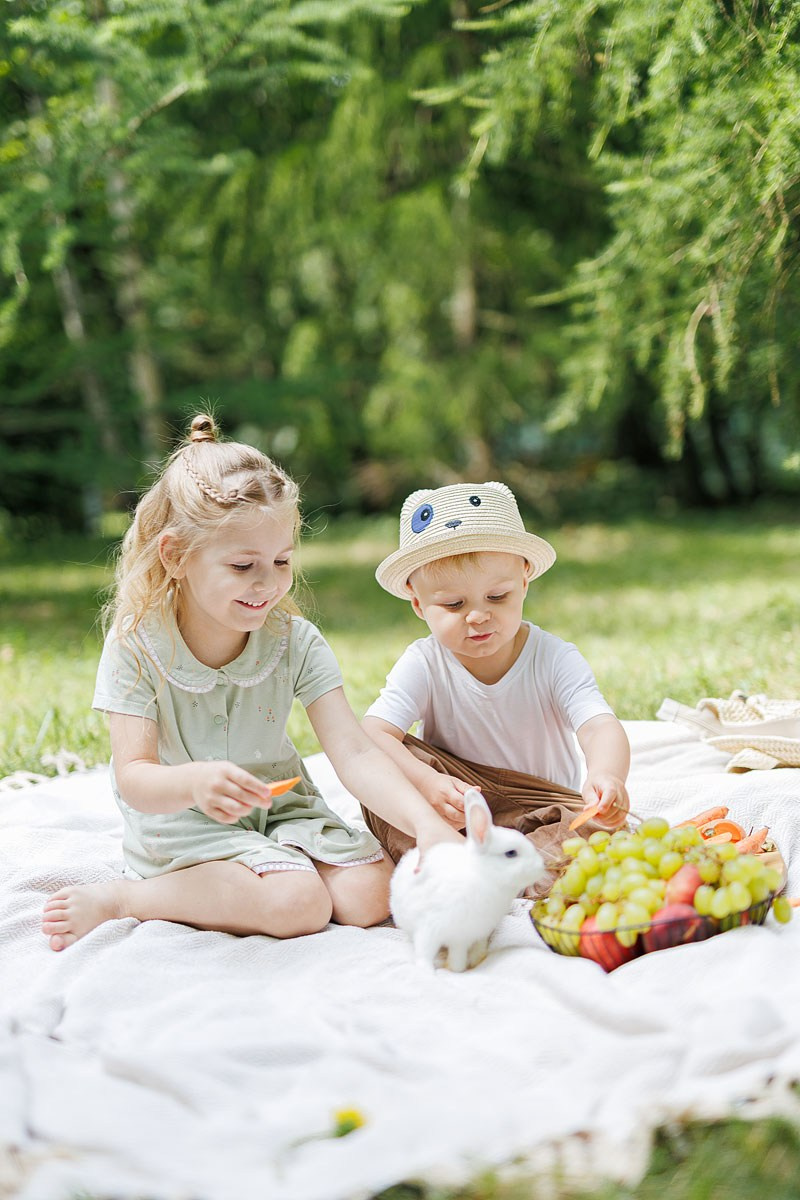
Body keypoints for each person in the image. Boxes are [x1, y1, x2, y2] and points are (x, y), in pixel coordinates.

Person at [42, 416, 458, 951]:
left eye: (282, 561)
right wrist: (195, 783)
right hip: (184, 824)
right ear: (175, 556)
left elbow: (353, 751)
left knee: (370, 895)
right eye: (243, 565)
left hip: (281, 811)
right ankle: (129, 897)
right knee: (299, 905)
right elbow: (135, 779)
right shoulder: (136, 647)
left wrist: (426, 826)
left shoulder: (295, 640)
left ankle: (275, 866)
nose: (268, 583)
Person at [360, 481, 631, 890]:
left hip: (543, 807)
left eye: (497, 596)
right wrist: (427, 783)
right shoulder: (425, 662)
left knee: (595, 841)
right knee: (384, 774)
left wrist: (607, 776)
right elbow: (373, 735)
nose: (478, 616)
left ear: (524, 580)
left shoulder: (553, 657)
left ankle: (495, 874)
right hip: (456, 806)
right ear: (418, 604)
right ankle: (454, 855)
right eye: (454, 605)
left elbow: (598, 725)